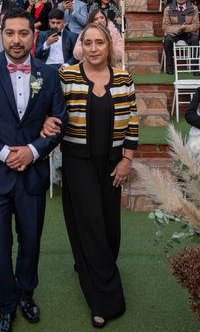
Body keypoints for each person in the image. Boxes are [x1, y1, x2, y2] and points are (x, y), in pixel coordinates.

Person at [0, 9, 67, 332]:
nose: (17, 40)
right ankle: (5, 305)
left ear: (33, 36)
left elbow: (59, 122)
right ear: (0, 34)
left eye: (23, 33)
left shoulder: (48, 75)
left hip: (32, 176)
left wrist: (33, 151)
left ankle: (26, 294)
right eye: (10, 33)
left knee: (31, 242)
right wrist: (6, 153)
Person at [55, 23, 137, 328]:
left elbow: (132, 121)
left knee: (110, 229)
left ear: (109, 45)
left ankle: (91, 265)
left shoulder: (124, 78)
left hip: (113, 163)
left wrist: (127, 160)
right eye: (87, 43)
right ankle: (106, 300)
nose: (93, 48)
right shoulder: (67, 76)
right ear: (81, 47)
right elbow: (52, 111)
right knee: (90, 226)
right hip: (78, 163)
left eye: (99, 42)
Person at [162, 0, 200, 75]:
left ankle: (195, 68)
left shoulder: (193, 8)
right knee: (167, 40)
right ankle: (170, 67)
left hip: (188, 33)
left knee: (195, 39)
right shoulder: (168, 9)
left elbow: (196, 25)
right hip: (174, 33)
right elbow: (166, 26)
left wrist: (186, 28)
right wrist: (178, 29)